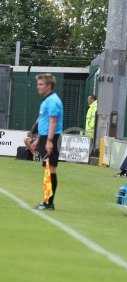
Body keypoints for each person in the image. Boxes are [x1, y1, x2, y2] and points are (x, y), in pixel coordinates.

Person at [34, 74, 64, 210]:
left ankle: (48, 202)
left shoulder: (53, 101)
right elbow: (43, 120)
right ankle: (47, 200)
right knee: (47, 169)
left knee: (50, 168)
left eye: (41, 84)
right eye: (38, 84)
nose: (38, 87)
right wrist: (37, 137)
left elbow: (53, 121)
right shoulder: (47, 100)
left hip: (52, 137)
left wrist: (50, 141)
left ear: (49, 86)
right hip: (45, 137)